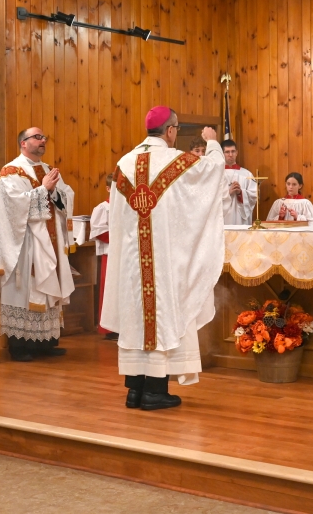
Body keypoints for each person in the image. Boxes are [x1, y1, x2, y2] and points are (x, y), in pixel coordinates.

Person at [101, 106, 225, 411]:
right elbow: (213, 171)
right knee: (162, 318)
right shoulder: (176, 162)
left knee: (136, 319)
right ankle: (155, 391)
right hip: (163, 263)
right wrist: (212, 142)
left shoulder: (123, 164)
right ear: (170, 131)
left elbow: (117, 217)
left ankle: (135, 390)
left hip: (132, 262)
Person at [0, 127, 75, 362]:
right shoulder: (11, 171)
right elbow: (14, 206)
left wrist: (55, 191)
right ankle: (21, 345)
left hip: (50, 241)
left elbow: (65, 197)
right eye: (37, 137)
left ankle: (46, 342)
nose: (43, 140)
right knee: (26, 288)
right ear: (23, 143)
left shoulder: (47, 170)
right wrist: (43, 189)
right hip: (24, 244)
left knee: (46, 289)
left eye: (44, 137)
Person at [90, 174, 115, 340]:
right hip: (110, 254)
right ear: (108, 188)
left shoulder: (126, 207)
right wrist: (119, 239)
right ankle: (108, 329)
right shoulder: (103, 208)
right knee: (109, 291)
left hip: (125, 255)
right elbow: (99, 231)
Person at [221, 139, 257, 225]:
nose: (230, 155)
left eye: (233, 151)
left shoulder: (247, 174)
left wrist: (240, 193)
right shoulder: (218, 174)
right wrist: (228, 193)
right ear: (222, 154)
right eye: (227, 152)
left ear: (236, 152)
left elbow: (254, 196)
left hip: (241, 217)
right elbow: (211, 196)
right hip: (223, 217)